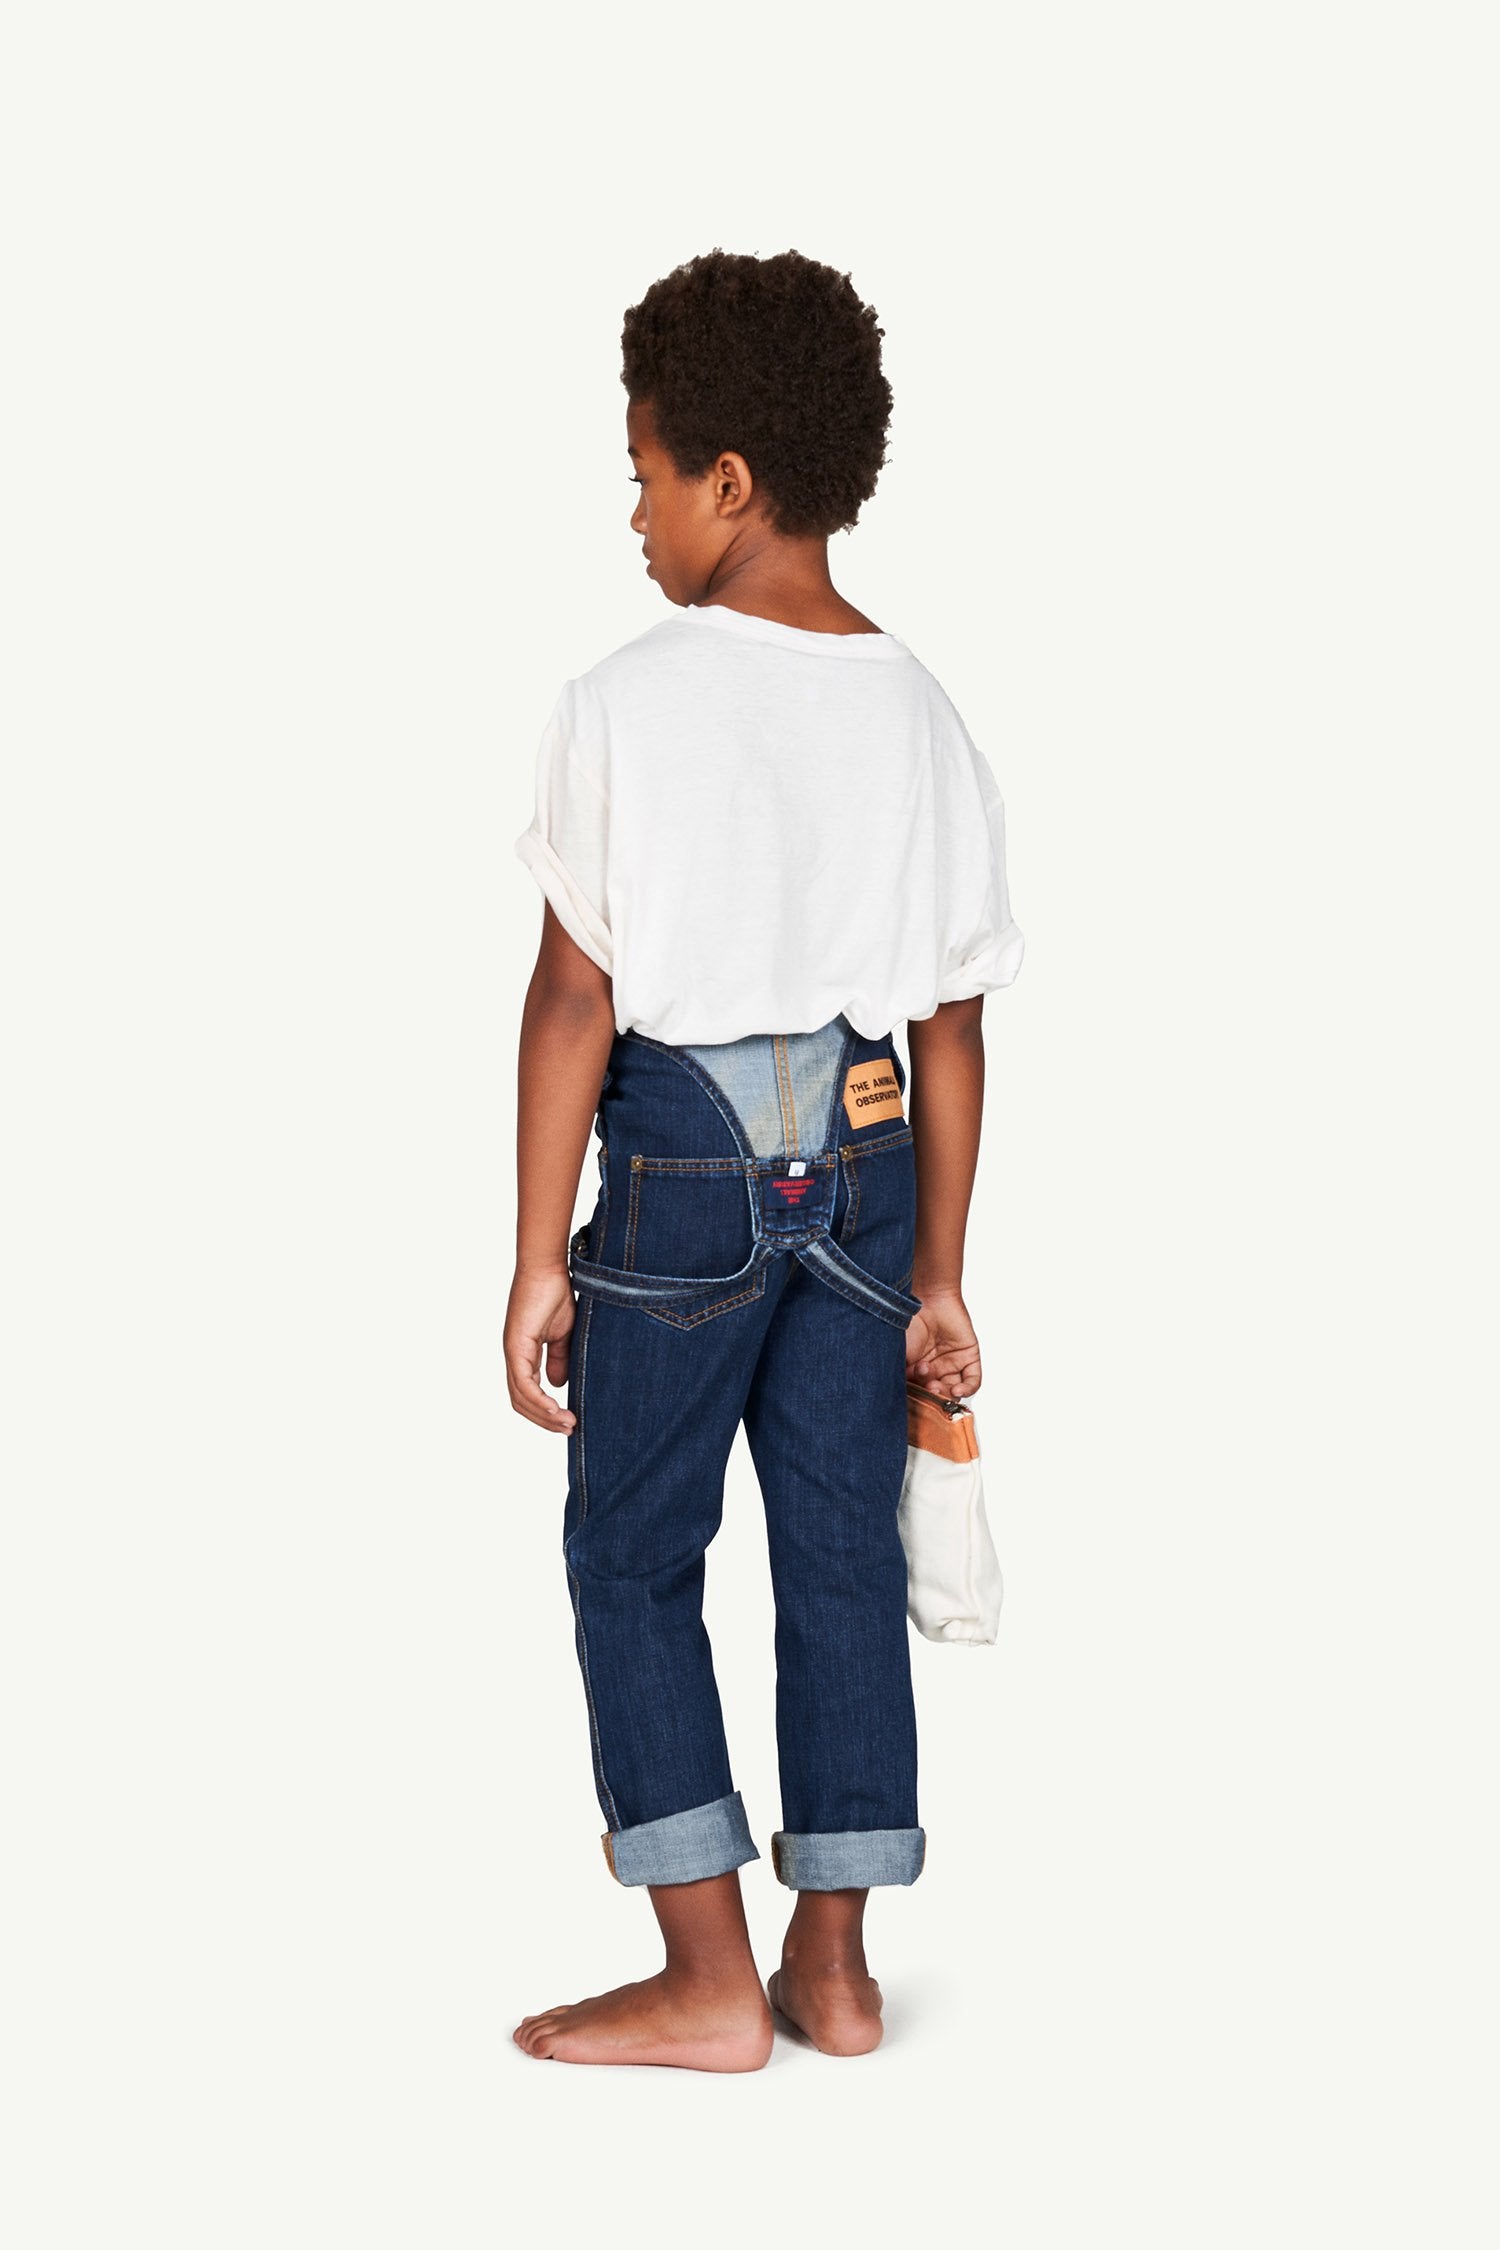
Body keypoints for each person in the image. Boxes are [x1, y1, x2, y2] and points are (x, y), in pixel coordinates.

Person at [505, 247, 1024, 2071]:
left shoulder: (623, 699)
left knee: (635, 1551)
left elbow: (574, 997)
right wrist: (939, 1273)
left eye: (645, 471)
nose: (634, 511)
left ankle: (709, 1974)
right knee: (836, 1555)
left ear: (728, 480)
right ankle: (840, 1968)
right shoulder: (923, 708)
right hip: (871, 1172)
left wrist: (536, 1254)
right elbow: (952, 1031)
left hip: (683, 1176)